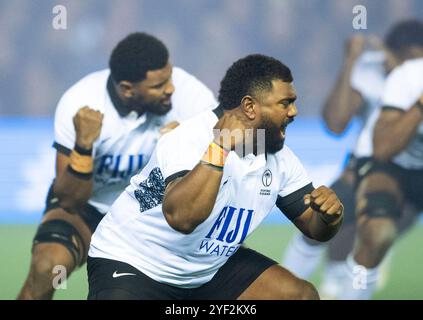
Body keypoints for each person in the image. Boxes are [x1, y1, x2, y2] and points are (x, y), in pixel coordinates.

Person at [87, 54, 344, 300]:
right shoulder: (188, 138)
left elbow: (314, 228)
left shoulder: (280, 159)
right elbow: (183, 218)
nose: (294, 112)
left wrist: (329, 217)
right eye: (285, 103)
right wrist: (219, 148)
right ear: (249, 106)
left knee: (299, 296)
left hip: (205, 273)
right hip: (135, 263)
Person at [18, 32, 217, 300]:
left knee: (214, 273)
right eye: (159, 85)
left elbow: (228, 146)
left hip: (153, 210)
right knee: (46, 268)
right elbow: (68, 201)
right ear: (127, 89)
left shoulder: (188, 92)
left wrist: (188, 143)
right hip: (91, 207)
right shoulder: (81, 102)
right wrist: (83, 147)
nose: (170, 88)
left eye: (169, 78)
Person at [282, 20, 423, 298]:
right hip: (372, 160)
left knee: (377, 236)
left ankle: (347, 282)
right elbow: (335, 124)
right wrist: (351, 61)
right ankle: (288, 286)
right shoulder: (373, 71)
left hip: (411, 174)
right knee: (322, 220)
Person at [338, 53, 423, 299]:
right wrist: (419, 105)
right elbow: (383, 148)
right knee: (378, 234)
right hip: (394, 164)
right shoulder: (408, 76)